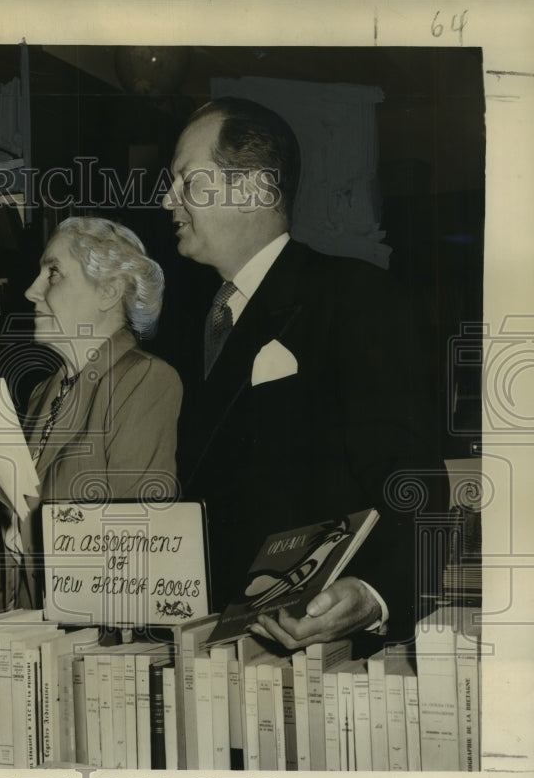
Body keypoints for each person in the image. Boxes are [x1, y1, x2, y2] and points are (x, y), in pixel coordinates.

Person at [161, 97, 441, 648]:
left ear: (255, 190)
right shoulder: (185, 323)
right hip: (203, 648)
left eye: (187, 182)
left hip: (311, 658)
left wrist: (374, 591)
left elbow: (413, 480)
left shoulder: (354, 297)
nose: (168, 200)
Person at [0, 216, 183, 609]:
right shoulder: (43, 392)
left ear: (108, 291)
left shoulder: (145, 381)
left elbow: (133, 554)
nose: (30, 291)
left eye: (53, 274)